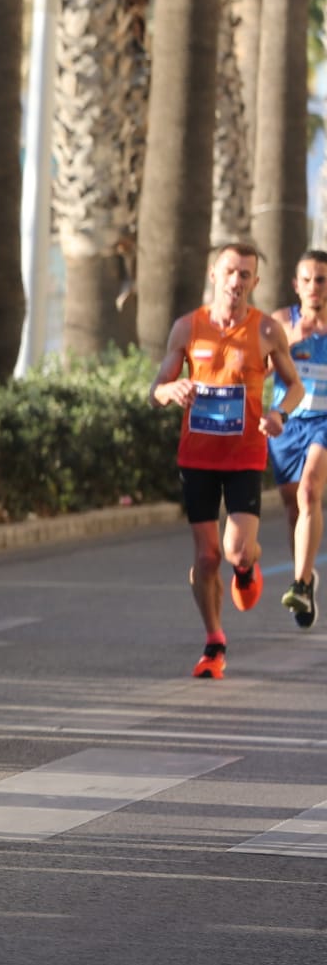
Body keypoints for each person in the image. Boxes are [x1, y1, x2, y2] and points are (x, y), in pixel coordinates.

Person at [150, 243, 300, 679]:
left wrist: (278, 414)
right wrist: (171, 391)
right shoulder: (186, 328)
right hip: (196, 455)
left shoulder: (267, 331)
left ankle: (248, 568)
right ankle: (214, 642)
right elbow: (156, 389)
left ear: (255, 282)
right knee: (207, 555)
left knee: (234, 549)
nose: (237, 282)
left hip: (244, 455)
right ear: (214, 274)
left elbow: (293, 387)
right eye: (230, 272)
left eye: (246, 275)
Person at [272, 251, 327, 628]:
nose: (313, 287)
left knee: (309, 492)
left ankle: (299, 585)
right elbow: (254, 364)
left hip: (323, 422)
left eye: (321, 280)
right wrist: (289, 341)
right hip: (286, 424)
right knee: (294, 510)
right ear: (296, 285)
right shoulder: (280, 322)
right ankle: (306, 578)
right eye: (306, 280)